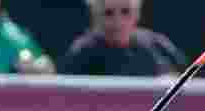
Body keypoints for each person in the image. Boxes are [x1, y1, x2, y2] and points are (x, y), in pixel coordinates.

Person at [57, 0, 185, 77]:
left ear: (137, 13)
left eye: (125, 11)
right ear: (95, 15)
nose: (118, 22)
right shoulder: (79, 55)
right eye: (108, 13)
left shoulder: (158, 46)